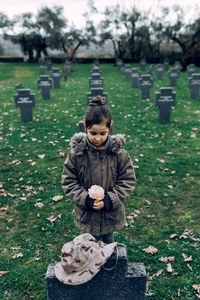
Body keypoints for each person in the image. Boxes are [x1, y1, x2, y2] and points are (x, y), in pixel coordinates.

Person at [61, 96, 136, 244]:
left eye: (102, 133)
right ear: (85, 127)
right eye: (93, 133)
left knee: (108, 245)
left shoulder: (118, 154)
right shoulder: (77, 154)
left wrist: (109, 200)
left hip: (110, 213)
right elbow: (69, 181)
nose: (97, 138)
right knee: (90, 247)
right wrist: (86, 199)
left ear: (110, 128)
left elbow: (127, 181)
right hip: (87, 213)